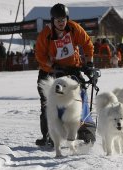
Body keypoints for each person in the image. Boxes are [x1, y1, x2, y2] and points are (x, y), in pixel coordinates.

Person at [35, 3, 95, 146]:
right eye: (58, 20)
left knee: (81, 93)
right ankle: (48, 135)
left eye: (63, 20)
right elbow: (39, 55)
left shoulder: (74, 28)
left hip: (71, 68)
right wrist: (52, 66)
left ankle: (84, 128)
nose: (61, 23)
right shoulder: (46, 34)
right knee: (48, 102)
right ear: (52, 21)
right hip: (50, 70)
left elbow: (87, 44)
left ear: (67, 19)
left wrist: (89, 64)